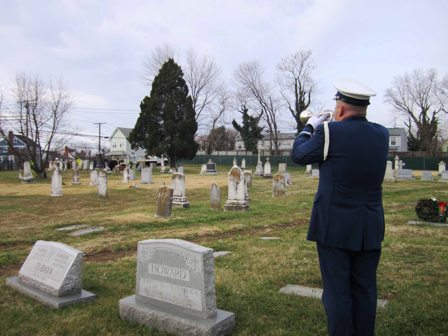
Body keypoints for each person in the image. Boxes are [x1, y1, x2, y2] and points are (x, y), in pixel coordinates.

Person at [291, 79, 389, 336]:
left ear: (342, 109)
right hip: (370, 224)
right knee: (365, 290)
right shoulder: (382, 134)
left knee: (337, 292)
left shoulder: (330, 132)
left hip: (334, 226)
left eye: (336, 106)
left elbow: (299, 155)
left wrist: (310, 126)